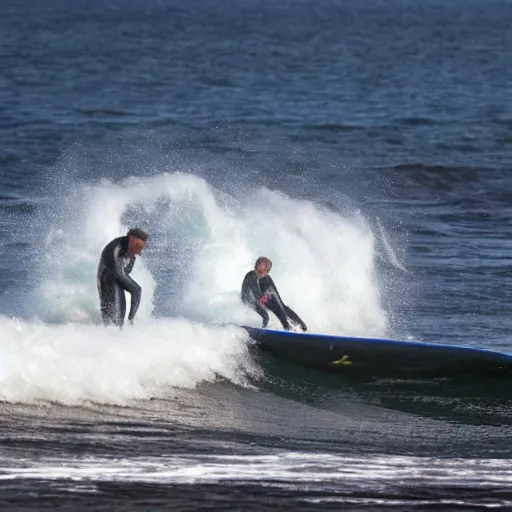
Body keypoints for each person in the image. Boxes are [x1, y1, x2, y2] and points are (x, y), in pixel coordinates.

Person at [97, 228, 148, 327]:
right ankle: (110, 335)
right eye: (139, 247)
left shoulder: (130, 252)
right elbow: (119, 274)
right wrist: (136, 289)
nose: (140, 253)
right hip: (108, 280)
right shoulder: (115, 248)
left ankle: (115, 334)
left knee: (118, 321)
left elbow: (125, 273)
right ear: (131, 238)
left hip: (115, 280)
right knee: (115, 322)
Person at [241, 256, 307, 331]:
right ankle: (265, 330)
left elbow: (277, 302)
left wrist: (269, 299)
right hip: (250, 301)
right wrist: (264, 300)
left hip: (261, 297)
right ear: (255, 266)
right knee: (266, 316)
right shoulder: (251, 275)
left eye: (264, 271)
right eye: (258, 269)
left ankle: (299, 327)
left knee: (280, 305)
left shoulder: (266, 278)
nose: (260, 273)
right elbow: (256, 294)